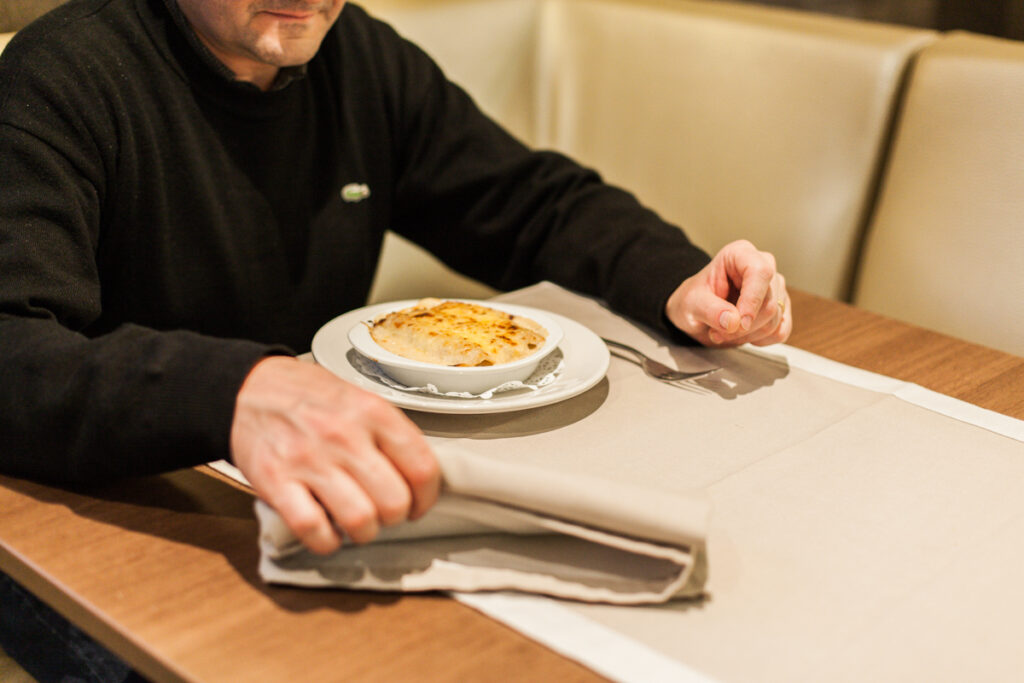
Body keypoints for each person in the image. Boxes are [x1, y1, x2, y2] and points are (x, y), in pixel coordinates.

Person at [0, 0, 791, 679]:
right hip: (101, 517)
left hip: (316, 497)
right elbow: (13, 353)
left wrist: (678, 279)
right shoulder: (62, 78)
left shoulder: (360, 59)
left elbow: (526, 200)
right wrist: (235, 389)